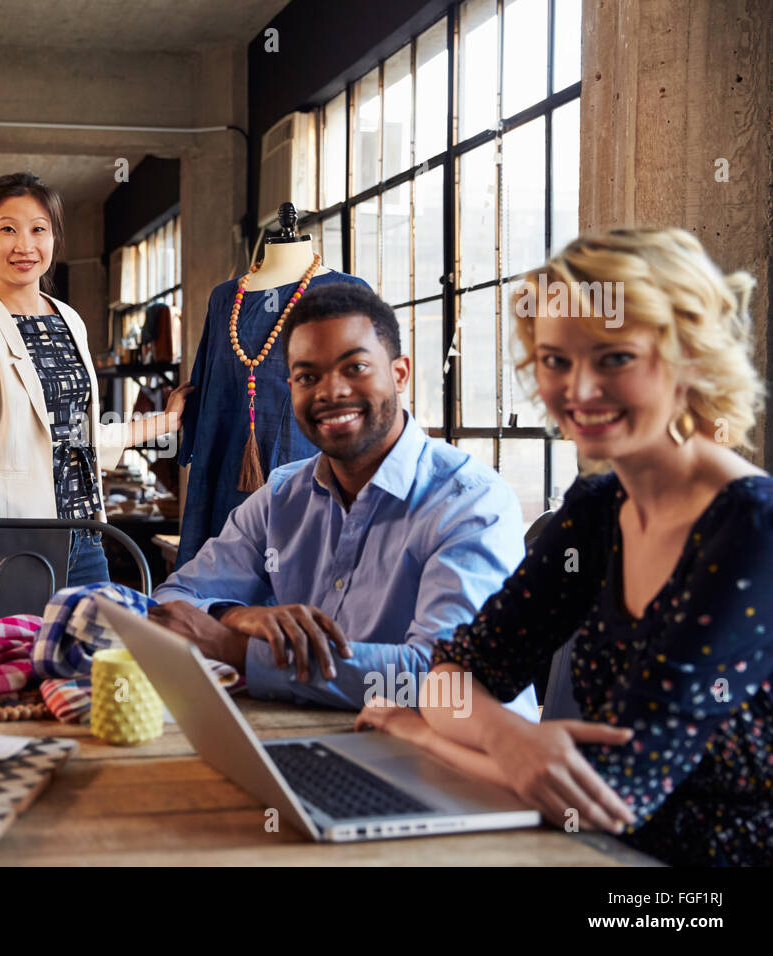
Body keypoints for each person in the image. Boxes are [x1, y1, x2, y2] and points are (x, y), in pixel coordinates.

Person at [357, 228, 771, 866]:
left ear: (689, 355)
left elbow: (609, 790)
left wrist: (415, 730)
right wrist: (506, 734)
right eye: (556, 361)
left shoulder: (753, 530)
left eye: (614, 358)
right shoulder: (599, 509)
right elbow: (454, 674)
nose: (578, 391)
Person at [149, 282, 538, 717]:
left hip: (450, 763)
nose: (329, 391)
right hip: (319, 738)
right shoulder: (280, 495)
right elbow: (170, 602)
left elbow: (445, 677)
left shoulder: (469, 502)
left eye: (354, 368)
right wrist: (233, 615)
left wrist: (235, 648)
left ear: (400, 374)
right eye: (306, 377)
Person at [0, 172, 191, 633]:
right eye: (7, 229)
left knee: (93, 671)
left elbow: (78, 436)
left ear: (53, 238)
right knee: (10, 682)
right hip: (7, 538)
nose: (24, 244)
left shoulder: (69, 319)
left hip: (86, 538)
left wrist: (164, 421)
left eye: (38, 229)